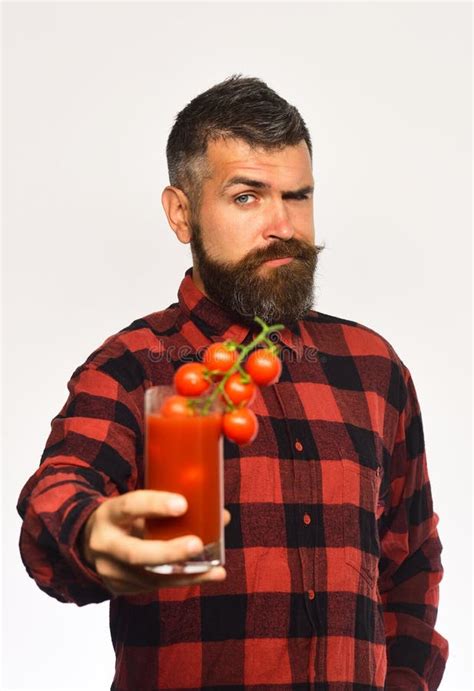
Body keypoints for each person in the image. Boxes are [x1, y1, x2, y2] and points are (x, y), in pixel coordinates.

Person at [17, 74, 448, 690]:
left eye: (297, 196)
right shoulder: (133, 365)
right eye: (247, 197)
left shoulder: (373, 367)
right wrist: (91, 534)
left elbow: (410, 562)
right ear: (181, 213)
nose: (283, 225)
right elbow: (57, 493)